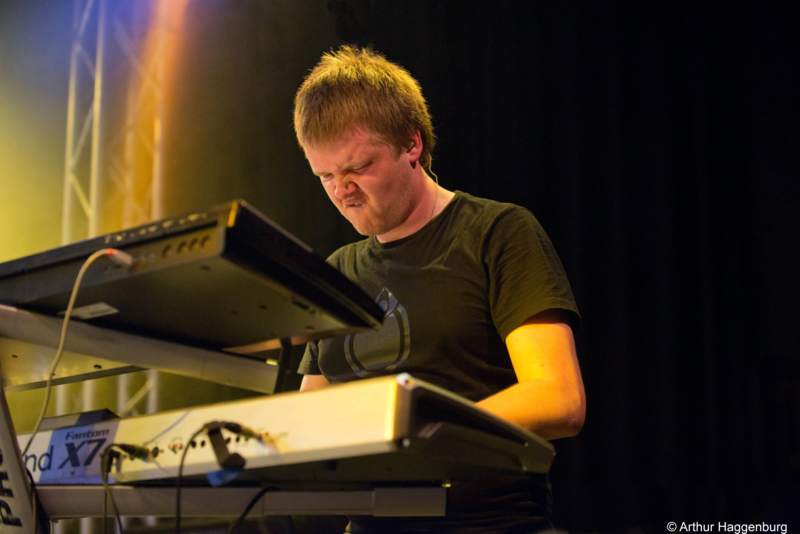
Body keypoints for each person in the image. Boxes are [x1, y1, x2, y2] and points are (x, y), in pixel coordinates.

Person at [293, 45, 586, 533]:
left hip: (489, 524)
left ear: (411, 145)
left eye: (357, 168)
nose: (342, 191)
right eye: (325, 176)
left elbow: (558, 398)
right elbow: (307, 419)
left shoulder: (497, 233)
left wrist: (412, 436)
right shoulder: (336, 271)